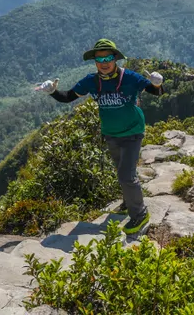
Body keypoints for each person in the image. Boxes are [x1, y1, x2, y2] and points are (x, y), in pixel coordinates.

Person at [35, 39, 165, 235]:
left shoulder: (130, 77)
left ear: (115, 59)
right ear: (95, 61)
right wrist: (53, 92)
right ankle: (128, 202)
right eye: (99, 59)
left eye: (108, 58)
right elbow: (68, 97)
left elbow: (156, 93)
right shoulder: (91, 81)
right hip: (111, 133)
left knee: (126, 175)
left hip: (132, 132)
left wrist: (157, 84)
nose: (104, 62)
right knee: (122, 171)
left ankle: (140, 214)